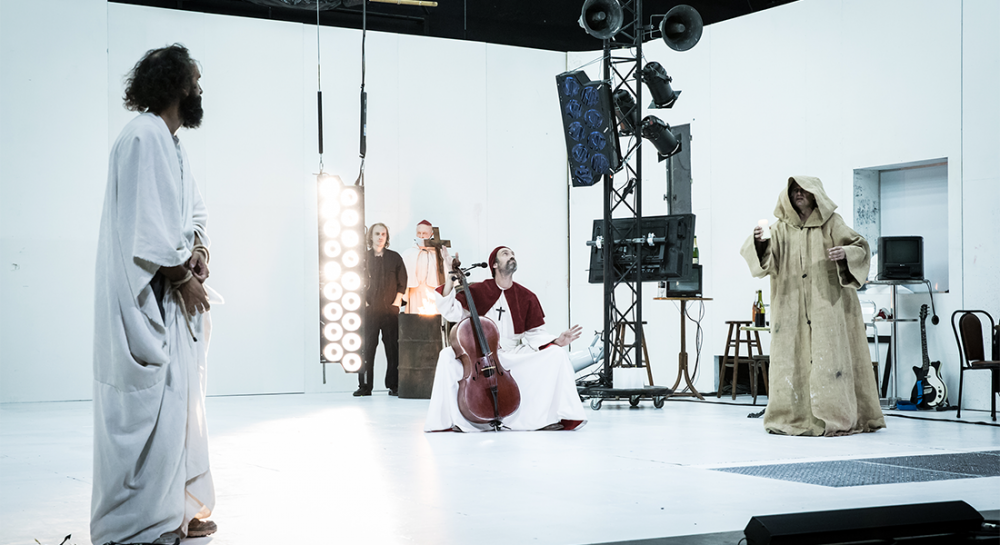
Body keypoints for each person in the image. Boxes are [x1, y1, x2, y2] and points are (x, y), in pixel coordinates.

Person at [92, 44, 217, 545]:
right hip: (146, 306)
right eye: (193, 80)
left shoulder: (172, 143)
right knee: (148, 417)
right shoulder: (144, 136)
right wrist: (182, 278)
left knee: (179, 414)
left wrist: (200, 250)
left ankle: (175, 513)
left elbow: (192, 214)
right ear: (174, 85)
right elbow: (148, 228)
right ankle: (137, 523)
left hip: (169, 304)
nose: (198, 89)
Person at [740, 176, 886, 436]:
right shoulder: (782, 228)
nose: (798, 194)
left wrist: (845, 254)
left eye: (803, 191)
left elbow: (861, 248)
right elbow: (765, 262)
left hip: (827, 305)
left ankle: (835, 414)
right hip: (791, 305)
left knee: (831, 361)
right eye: (794, 190)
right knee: (790, 360)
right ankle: (792, 416)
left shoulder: (831, 223)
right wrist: (760, 242)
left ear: (814, 194)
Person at [424, 246, 587, 432]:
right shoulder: (478, 291)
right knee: (447, 356)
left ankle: (555, 416)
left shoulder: (526, 296)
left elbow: (535, 334)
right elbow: (450, 310)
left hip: (511, 354)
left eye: (513, 254)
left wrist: (557, 341)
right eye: (505, 254)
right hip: (479, 354)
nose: (511, 256)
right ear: (493, 264)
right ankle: (451, 420)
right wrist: (449, 275)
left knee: (556, 355)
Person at [356, 223, 407, 396]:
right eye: (377, 233)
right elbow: (355, 281)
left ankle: (394, 385)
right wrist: (363, 301)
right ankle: (365, 387)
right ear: (371, 236)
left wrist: (396, 302)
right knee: (367, 347)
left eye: (383, 234)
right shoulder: (362, 257)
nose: (380, 237)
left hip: (390, 311)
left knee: (392, 349)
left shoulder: (395, 257)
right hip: (369, 310)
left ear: (387, 237)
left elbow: (402, 282)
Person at [400, 220, 446, 314]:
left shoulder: (439, 255)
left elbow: (447, 278)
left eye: (424, 233)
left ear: (431, 234)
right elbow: (402, 280)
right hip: (414, 295)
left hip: (433, 295)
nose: (421, 236)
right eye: (419, 233)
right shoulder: (408, 254)